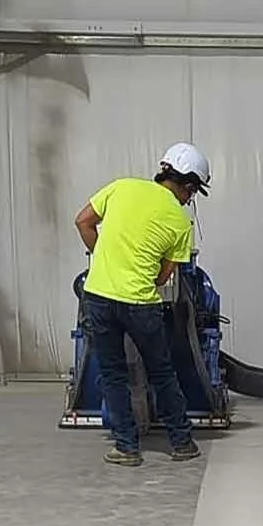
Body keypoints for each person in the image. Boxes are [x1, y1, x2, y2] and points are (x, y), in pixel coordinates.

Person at [74, 143, 210, 466]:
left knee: (112, 373)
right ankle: (181, 443)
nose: (190, 199)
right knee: (162, 372)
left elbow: (82, 222)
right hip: (140, 303)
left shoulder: (121, 187)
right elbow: (164, 278)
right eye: (192, 192)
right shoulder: (180, 222)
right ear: (189, 186)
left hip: (98, 296)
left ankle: (126, 448)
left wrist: (105, 259)